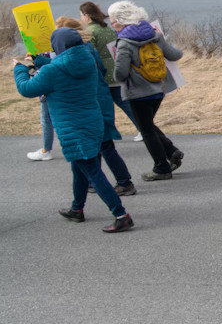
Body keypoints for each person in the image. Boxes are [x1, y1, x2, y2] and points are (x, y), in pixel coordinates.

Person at [13, 28, 135, 233]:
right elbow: (61, 67)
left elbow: (26, 89)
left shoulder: (55, 71)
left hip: (73, 128)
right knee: (80, 166)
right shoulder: (86, 60)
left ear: (58, 46)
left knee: (92, 171)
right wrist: (40, 62)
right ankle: (77, 209)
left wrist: (19, 69)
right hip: (93, 122)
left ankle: (121, 215)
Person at [55, 16, 136, 197]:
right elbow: (103, 70)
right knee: (98, 146)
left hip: (96, 102)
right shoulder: (88, 49)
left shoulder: (79, 54)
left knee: (105, 145)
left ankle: (124, 182)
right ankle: (93, 181)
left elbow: (65, 70)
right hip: (101, 98)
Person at [109, 0, 185, 181]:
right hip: (158, 89)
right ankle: (171, 151)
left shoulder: (124, 42)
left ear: (121, 21)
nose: (113, 26)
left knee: (146, 130)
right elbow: (175, 55)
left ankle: (162, 168)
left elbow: (119, 74)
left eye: (113, 23)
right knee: (148, 125)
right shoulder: (154, 34)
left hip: (137, 93)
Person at [80, 1, 141, 142]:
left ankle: (109, 133)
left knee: (106, 106)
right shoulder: (107, 28)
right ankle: (142, 128)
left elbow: (91, 52)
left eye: (82, 15)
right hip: (115, 69)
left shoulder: (91, 31)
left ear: (87, 16)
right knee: (125, 103)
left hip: (104, 74)